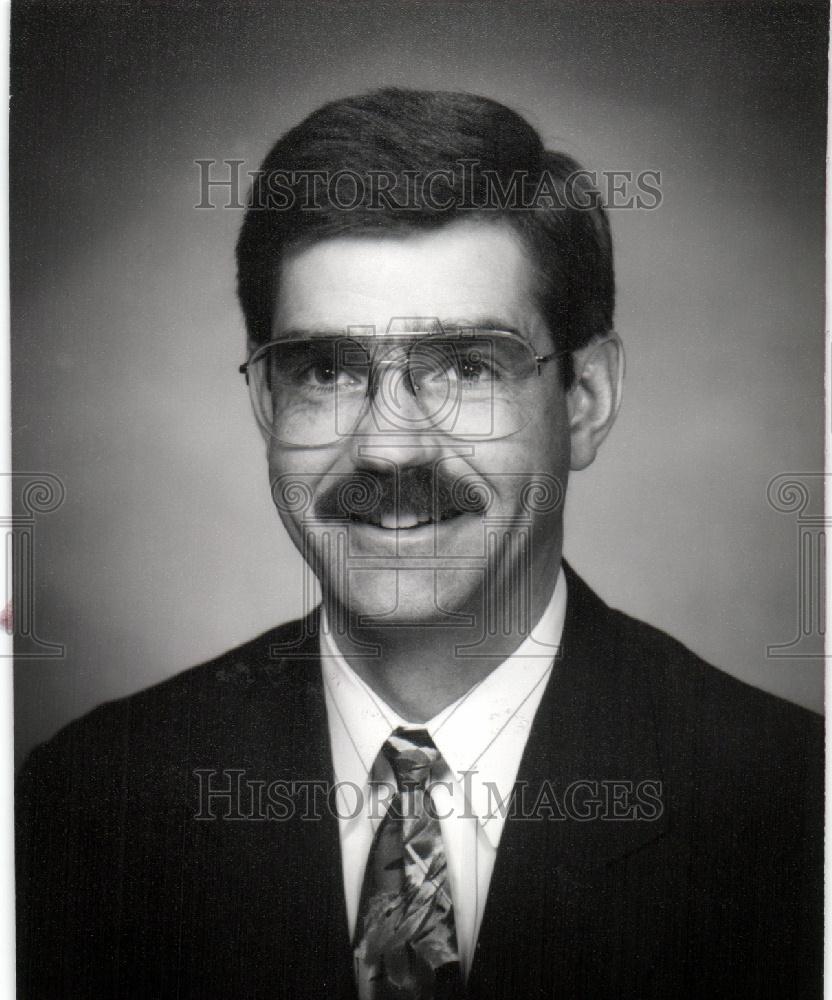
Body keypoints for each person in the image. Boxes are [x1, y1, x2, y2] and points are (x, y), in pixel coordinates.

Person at [16, 89, 822, 999]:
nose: (390, 445)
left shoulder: (792, 808)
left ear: (584, 400)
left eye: (467, 368)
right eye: (325, 370)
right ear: (265, 402)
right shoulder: (93, 802)